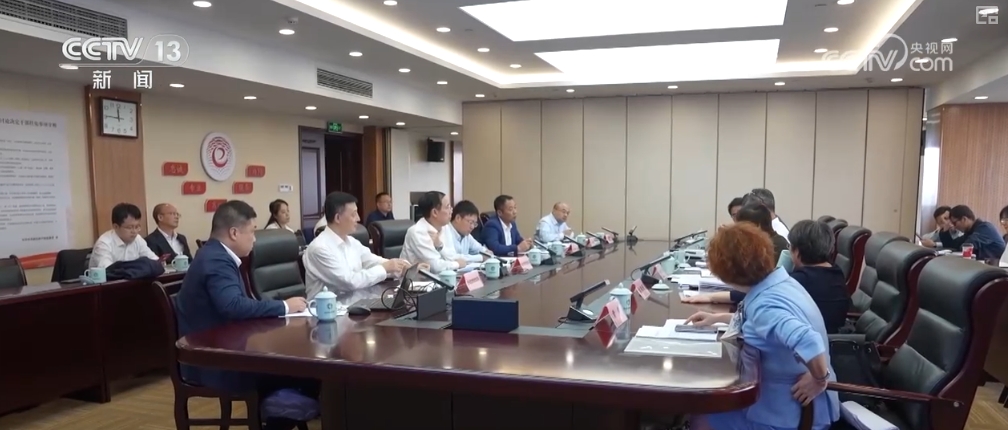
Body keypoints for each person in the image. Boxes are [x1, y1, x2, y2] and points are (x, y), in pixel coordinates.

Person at [686, 223, 839, 430]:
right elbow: (765, 325)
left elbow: (808, 340)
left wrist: (819, 380)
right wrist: (718, 318)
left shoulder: (764, 306)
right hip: (795, 406)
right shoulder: (781, 281)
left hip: (791, 415)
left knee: (700, 415)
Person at [174, 200, 312, 396]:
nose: (254, 240)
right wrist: (284, 306)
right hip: (215, 361)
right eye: (252, 232)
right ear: (234, 233)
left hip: (223, 348)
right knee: (303, 374)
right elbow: (233, 305)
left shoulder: (214, 253)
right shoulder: (216, 260)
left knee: (298, 370)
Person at [682, 221, 849, 334]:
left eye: (790, 247)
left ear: (797, 252)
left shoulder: (795, 283)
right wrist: (717, 318)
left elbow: (805, 339)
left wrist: (711, 298)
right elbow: (763, 320)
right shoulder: (836, 272)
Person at [302, 192, 411, 301]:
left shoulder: (351, 242)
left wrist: (402, 267)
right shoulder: (319, 248)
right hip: (328, 308)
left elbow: (373, 261)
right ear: (338, 218)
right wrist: (385, 268)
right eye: (353, 214)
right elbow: (350, 282)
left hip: (355, 303)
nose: (358, 218)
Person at [401, 191, 469, 272]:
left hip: (442, 276)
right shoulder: (417, 232)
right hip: (417, 279)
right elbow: (435, 266)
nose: (451, 210)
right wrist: (457, 264)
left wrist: (440, 246)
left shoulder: (445, 227)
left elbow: (452, 256)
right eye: (447, 207)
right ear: (435, 212)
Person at [90, 202, 160, 269]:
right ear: (116, 227)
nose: (134, 231)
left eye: (137, 227)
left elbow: (155, 261)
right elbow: (108, 270)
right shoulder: (104, 244)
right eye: (129, 227)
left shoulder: (137, 239)